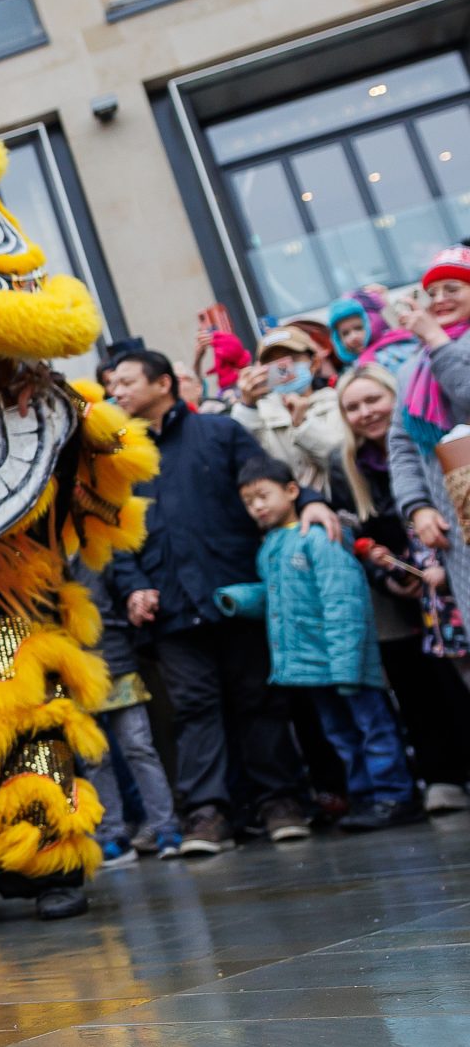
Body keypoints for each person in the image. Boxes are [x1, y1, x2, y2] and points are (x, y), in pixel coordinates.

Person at [108, 348, 337, 854]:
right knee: (193, 709)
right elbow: (113, 535)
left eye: (125, 382)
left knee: (261, 700)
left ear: (163, 383)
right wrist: (132, 585)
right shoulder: (120, 457)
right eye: (112, 385)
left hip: (236, 595)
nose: (115, 392)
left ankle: (282, 802)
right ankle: (207, 815)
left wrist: (314, 502)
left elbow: (270, 486)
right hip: (168, 604)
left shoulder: (220, 432)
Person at [225, 456, 422, 830]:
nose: (257, 507)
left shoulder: (319, 536)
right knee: (341, 736)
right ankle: (365, 797)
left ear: (292, 491)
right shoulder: (270, 546)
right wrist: (241, 599)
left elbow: (343, 600)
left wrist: (348, 663)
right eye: (249, 503)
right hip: (313, 667)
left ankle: (395, 795)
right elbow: (278, 597)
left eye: (263, 496)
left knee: (372, 728)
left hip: (345, 662)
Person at [329, 362, 470, 814]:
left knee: (457, 681)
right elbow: (357, 537)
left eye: (374, 400)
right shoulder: (347, 469)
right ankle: (441, 776)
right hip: (401, 595)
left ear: (396, 397)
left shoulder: (430, 442)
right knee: (415, 686)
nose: (366, 412)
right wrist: (387, 576)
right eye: (353, 406)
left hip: (449, 579)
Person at [72, 562, 181, 864]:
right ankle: (112, 835)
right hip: (72, 667)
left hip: (114, 656)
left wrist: (136, 594)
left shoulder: (96, 544)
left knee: (138, 747)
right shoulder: (40, 558)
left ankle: (165, 828)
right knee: (94, 757)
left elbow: (126, 575)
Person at [389, 246, 470, 649]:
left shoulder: (440, 348)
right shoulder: (409, 370)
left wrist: (438, 341)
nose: (440, 300)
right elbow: (401, 446)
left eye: (452, 288)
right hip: (457, 529)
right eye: (432, 292)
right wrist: (418, 507)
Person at [230, 327, 345, 490]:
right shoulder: (260, 413)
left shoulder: (338, 402)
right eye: (272, 363)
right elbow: (242, 459)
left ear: (315, 363)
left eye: (291, 358)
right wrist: (247, 405)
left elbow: (344, 460)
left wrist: (303, 424)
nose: (283, 368)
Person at [329, 286, 418, 375]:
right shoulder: (357, 367)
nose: (353, 336)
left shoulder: (392, 346)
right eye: (345, 333)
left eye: (358, 328)